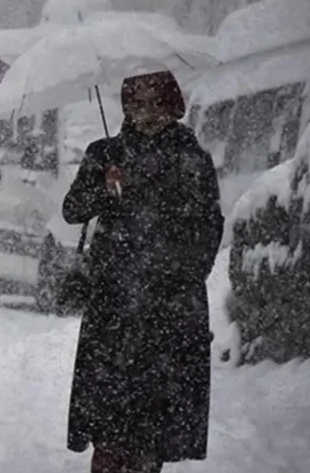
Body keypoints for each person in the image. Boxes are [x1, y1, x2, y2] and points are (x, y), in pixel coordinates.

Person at [61, 70, 223, 473]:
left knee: (155, 416)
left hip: (168, 306)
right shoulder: (104, 153)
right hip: (113, 303)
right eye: (136, 103)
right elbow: (72, 210)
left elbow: (208, 227)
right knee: (108, 410)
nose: (146, 113)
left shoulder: (192, 159)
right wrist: (104, 187)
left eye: (156, 103)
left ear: (172, 106)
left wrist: (181, 275)